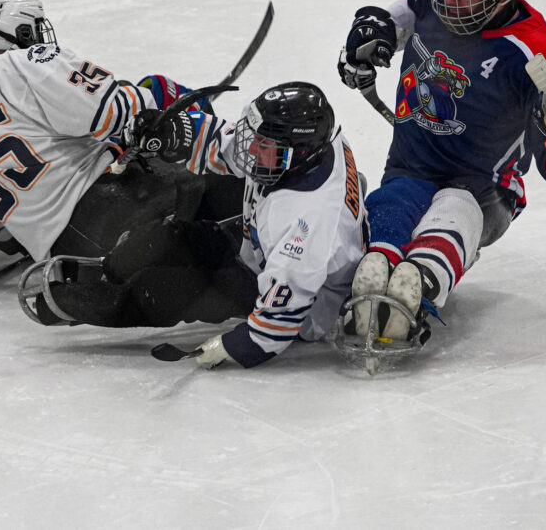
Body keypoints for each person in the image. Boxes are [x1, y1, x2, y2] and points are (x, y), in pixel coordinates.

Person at [336, 0, 546, 348]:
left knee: (455, 209)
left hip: (484, 192)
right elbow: (392, 22)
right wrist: (367, 39)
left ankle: (421, 283)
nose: (450, 1)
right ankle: (380, 261)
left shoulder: (537, 54)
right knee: (391, 205)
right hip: (410, 167)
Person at [30, 81, 369, 370]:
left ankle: (78, 302)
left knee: (167, 291)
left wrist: (236, 346)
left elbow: (280, 320)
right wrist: (175, 133)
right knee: (172, 238)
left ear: (300, 154)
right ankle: (114, 267)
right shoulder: (312, 148)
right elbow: (231, 147)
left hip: (302, 306)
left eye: (264, 147)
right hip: (262, 251)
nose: (251, 149)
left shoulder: (307, 221)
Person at [0, 0, 241, 267]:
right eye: (34, 27)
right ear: (21, 30)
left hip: (64, 248)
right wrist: (152, 98)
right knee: (162, 92)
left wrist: (6, 239)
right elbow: (114, 111)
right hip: (112, 212)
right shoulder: (28, 61)